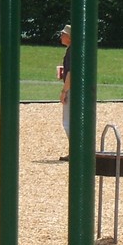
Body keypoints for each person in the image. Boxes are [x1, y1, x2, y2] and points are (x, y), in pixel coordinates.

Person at [57, 24, 71, 161]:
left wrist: (64, 91)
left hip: (72, 89)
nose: (61, 36)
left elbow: (71, 74)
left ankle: (75, 151)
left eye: (63, 34)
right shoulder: (73, 50)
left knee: (68, 122)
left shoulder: (71, 52)